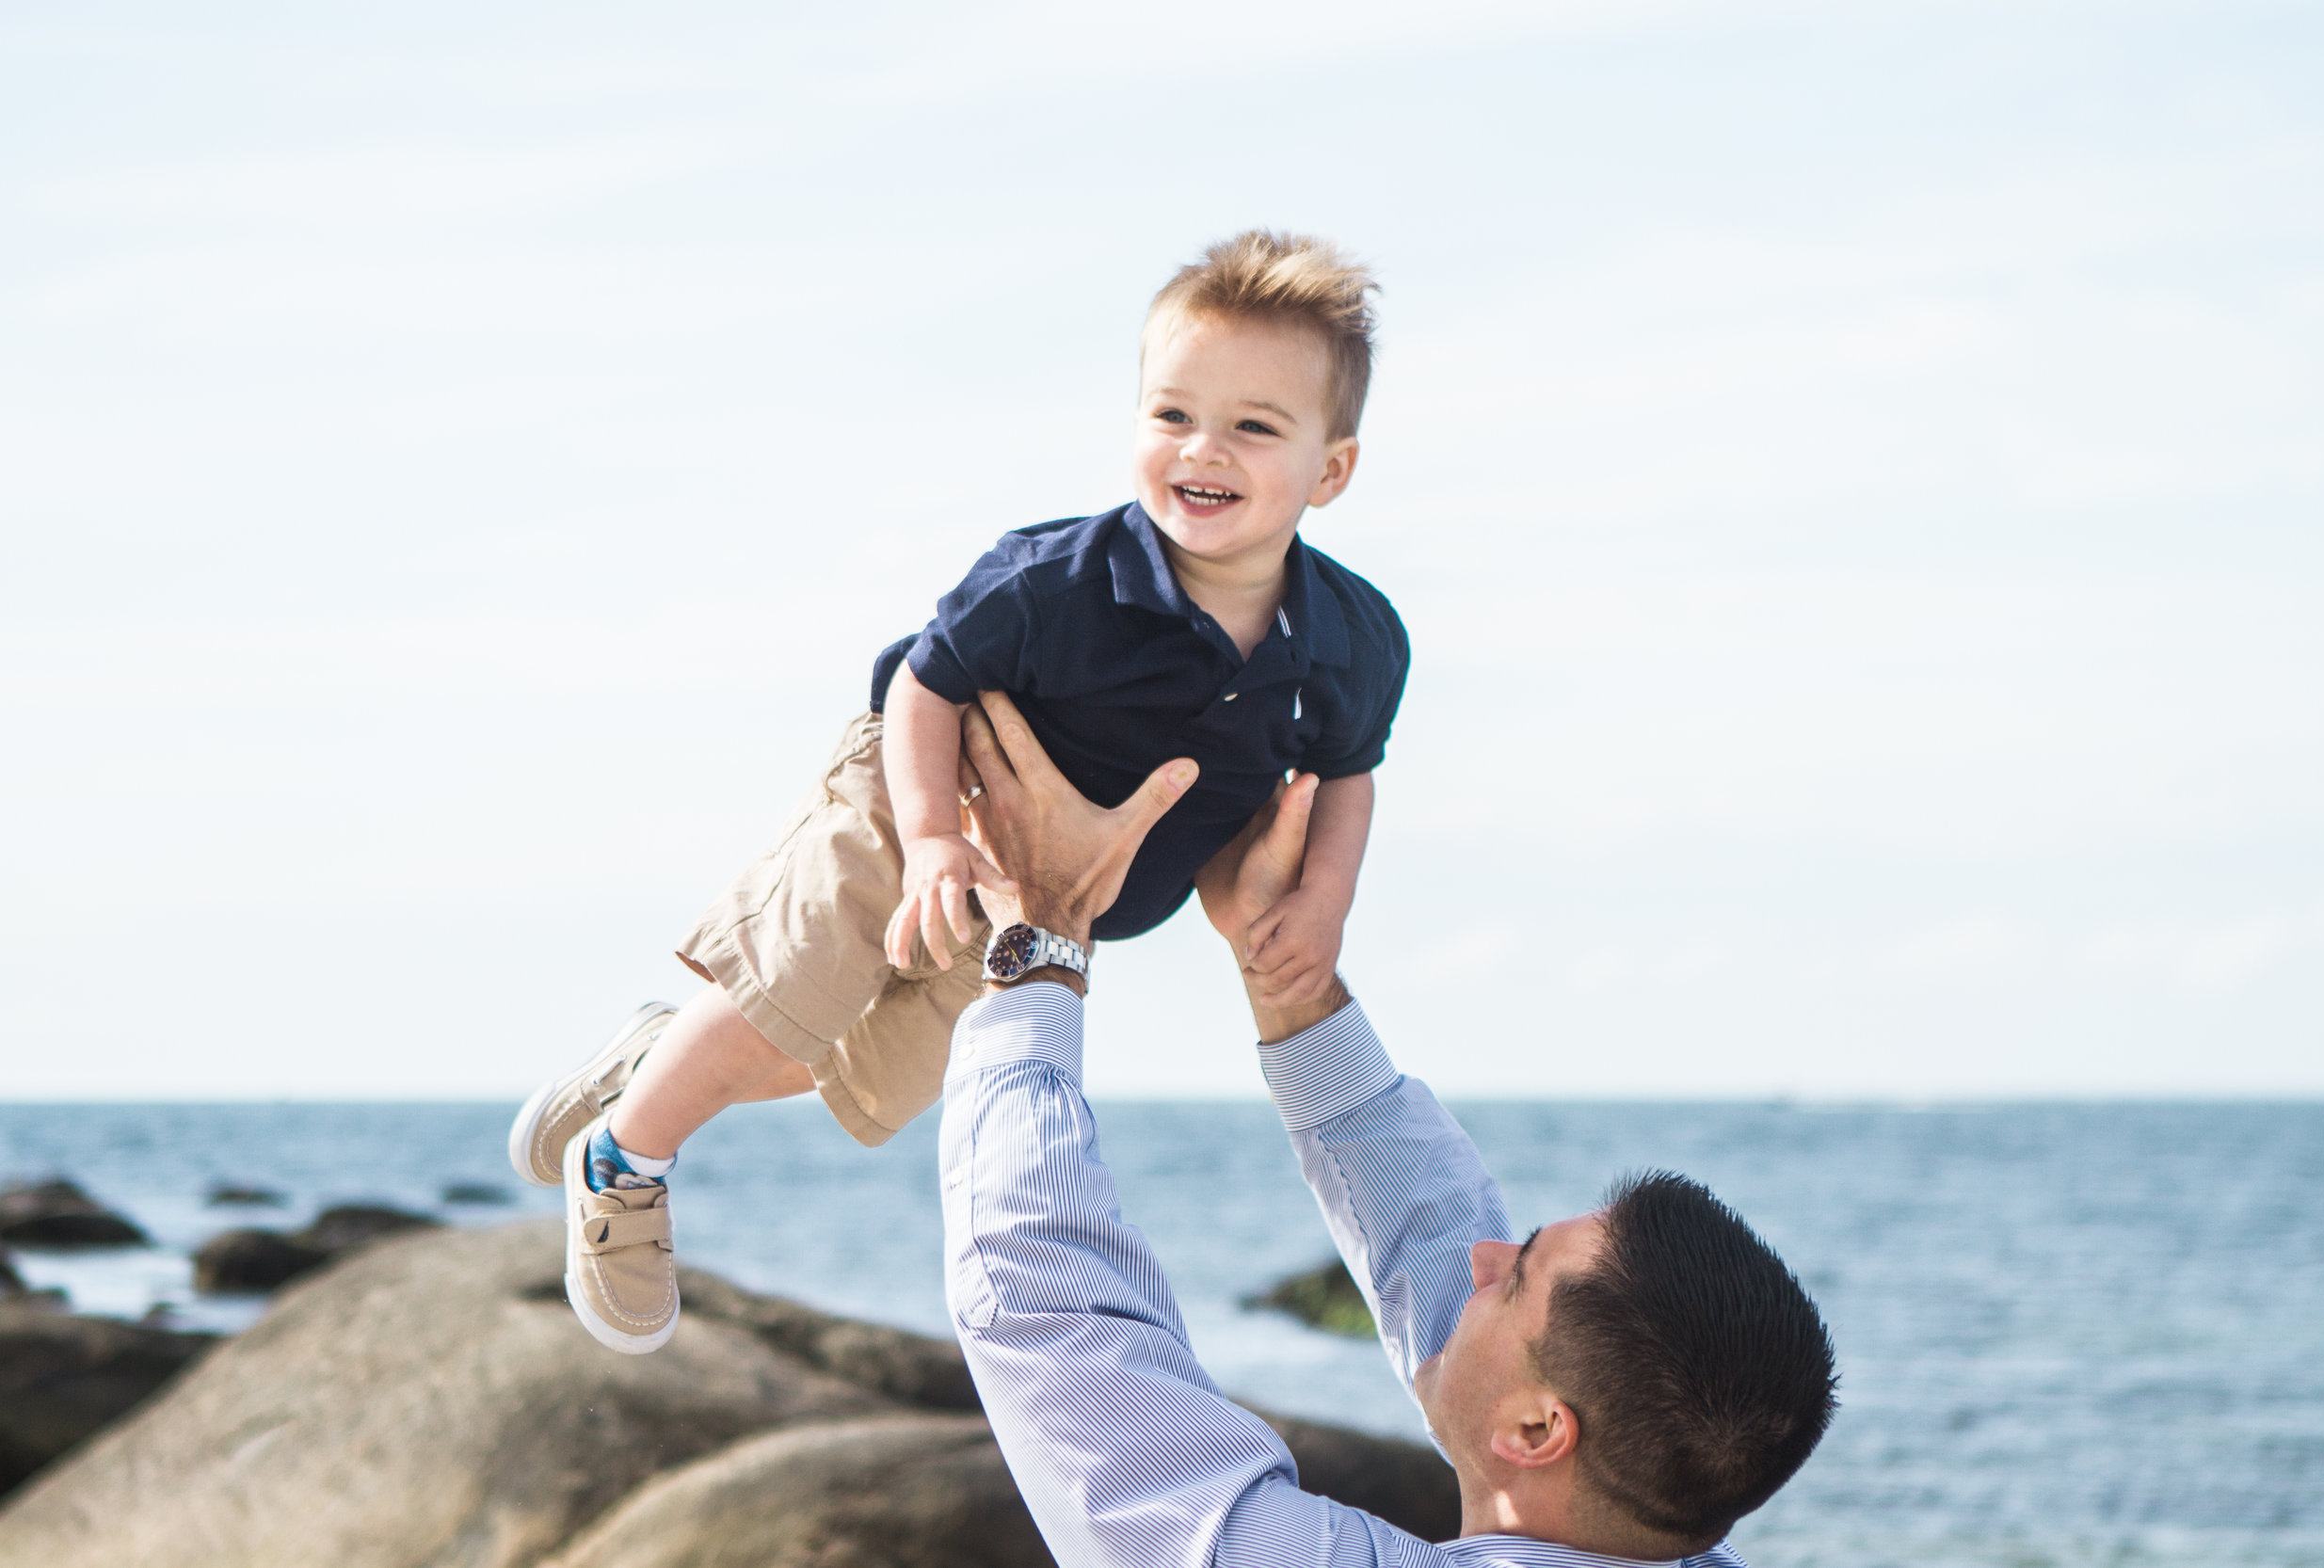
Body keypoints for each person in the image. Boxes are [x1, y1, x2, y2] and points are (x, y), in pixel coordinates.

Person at [506, 230, 1412, 1353]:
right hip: (911, 805)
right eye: (1171, 414)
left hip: (1038, 911)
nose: (1202, 448)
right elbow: (931, 681)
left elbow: (1350, 771)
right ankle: (624, 1159)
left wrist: (1321, 900)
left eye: (1253, 426)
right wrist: (933, 836)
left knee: (859, 1068)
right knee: (800, 987)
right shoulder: (1056, 581)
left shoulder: (1352, 639)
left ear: (1331, 469)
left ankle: (653, 1058)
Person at [940, 692, 1837, 1566]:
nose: (1483, 1259)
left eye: (1515, 1276)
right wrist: (1287, 978)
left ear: (1537, 1430)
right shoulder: (1669, 1528)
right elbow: (1435, 1233)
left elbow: (1040, 1294)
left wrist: (1043, 931)